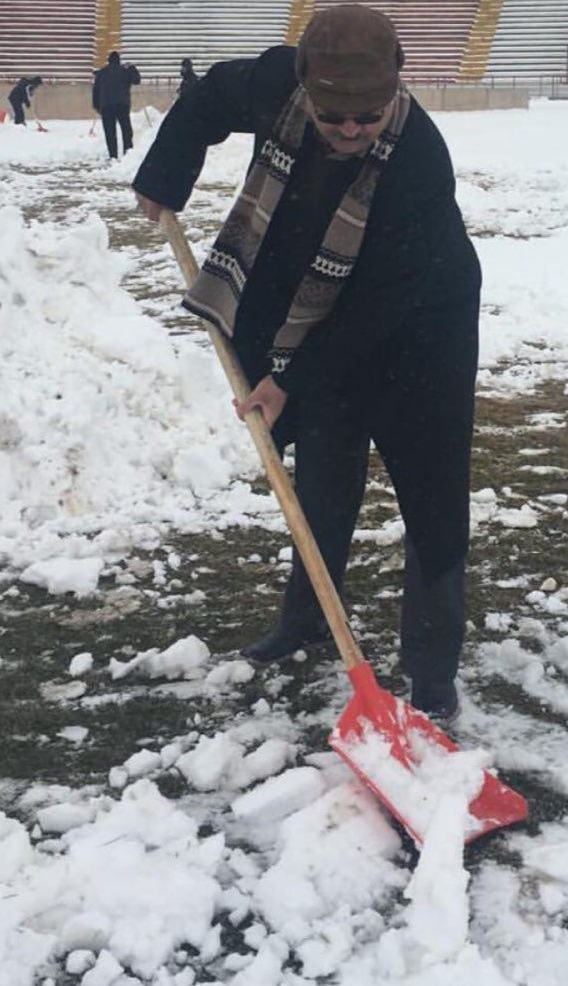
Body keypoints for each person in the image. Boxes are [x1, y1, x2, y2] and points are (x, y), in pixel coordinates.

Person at [132, 4, 481, 722]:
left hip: (423, 332)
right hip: (317, 316)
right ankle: (306, 620)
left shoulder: (417, 160)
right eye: (334, 116)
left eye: (368, 115)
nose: (352, 130)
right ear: (304, 88)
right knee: (322, 479)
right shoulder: (271, 85)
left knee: (433, 496)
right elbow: (204, 102)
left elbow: (371, 312)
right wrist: (166, 176)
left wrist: (285, 376)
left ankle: (432, 663)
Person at [92, 51, 141, 158]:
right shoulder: (125, 71)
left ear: (108, 61)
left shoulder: (101, 73)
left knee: (110, 132)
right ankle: (128, 154)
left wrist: (97, 106)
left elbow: (96, 91)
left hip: (106, 106)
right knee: (126, 130)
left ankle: (113, 155)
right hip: (122, 105)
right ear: (119, 61)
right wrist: (132, 68)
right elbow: (137, 81)